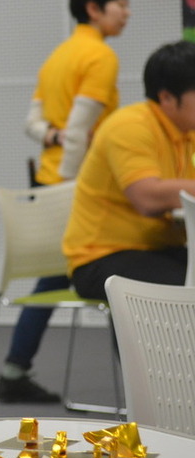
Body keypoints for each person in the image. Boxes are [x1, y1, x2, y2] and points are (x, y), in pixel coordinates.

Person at [0, 0, 132, 403]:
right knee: (117, 273)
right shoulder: (100, 58)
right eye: (121, 5)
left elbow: (34, 124)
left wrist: (54, 145)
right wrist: (75, 189)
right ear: (94, 9)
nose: (127, 14)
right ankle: (139, 380)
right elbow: (77, 135)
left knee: (54, 276)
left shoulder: (58, 56)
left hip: (48, 180)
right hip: (75, 187)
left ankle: (14, 371)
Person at [64, 40, 195, 302]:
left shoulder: (186, 132)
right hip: (102, 256)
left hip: (159, 249)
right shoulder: (130, 126)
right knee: (184, 293)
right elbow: (147, 198)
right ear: (167, 98)